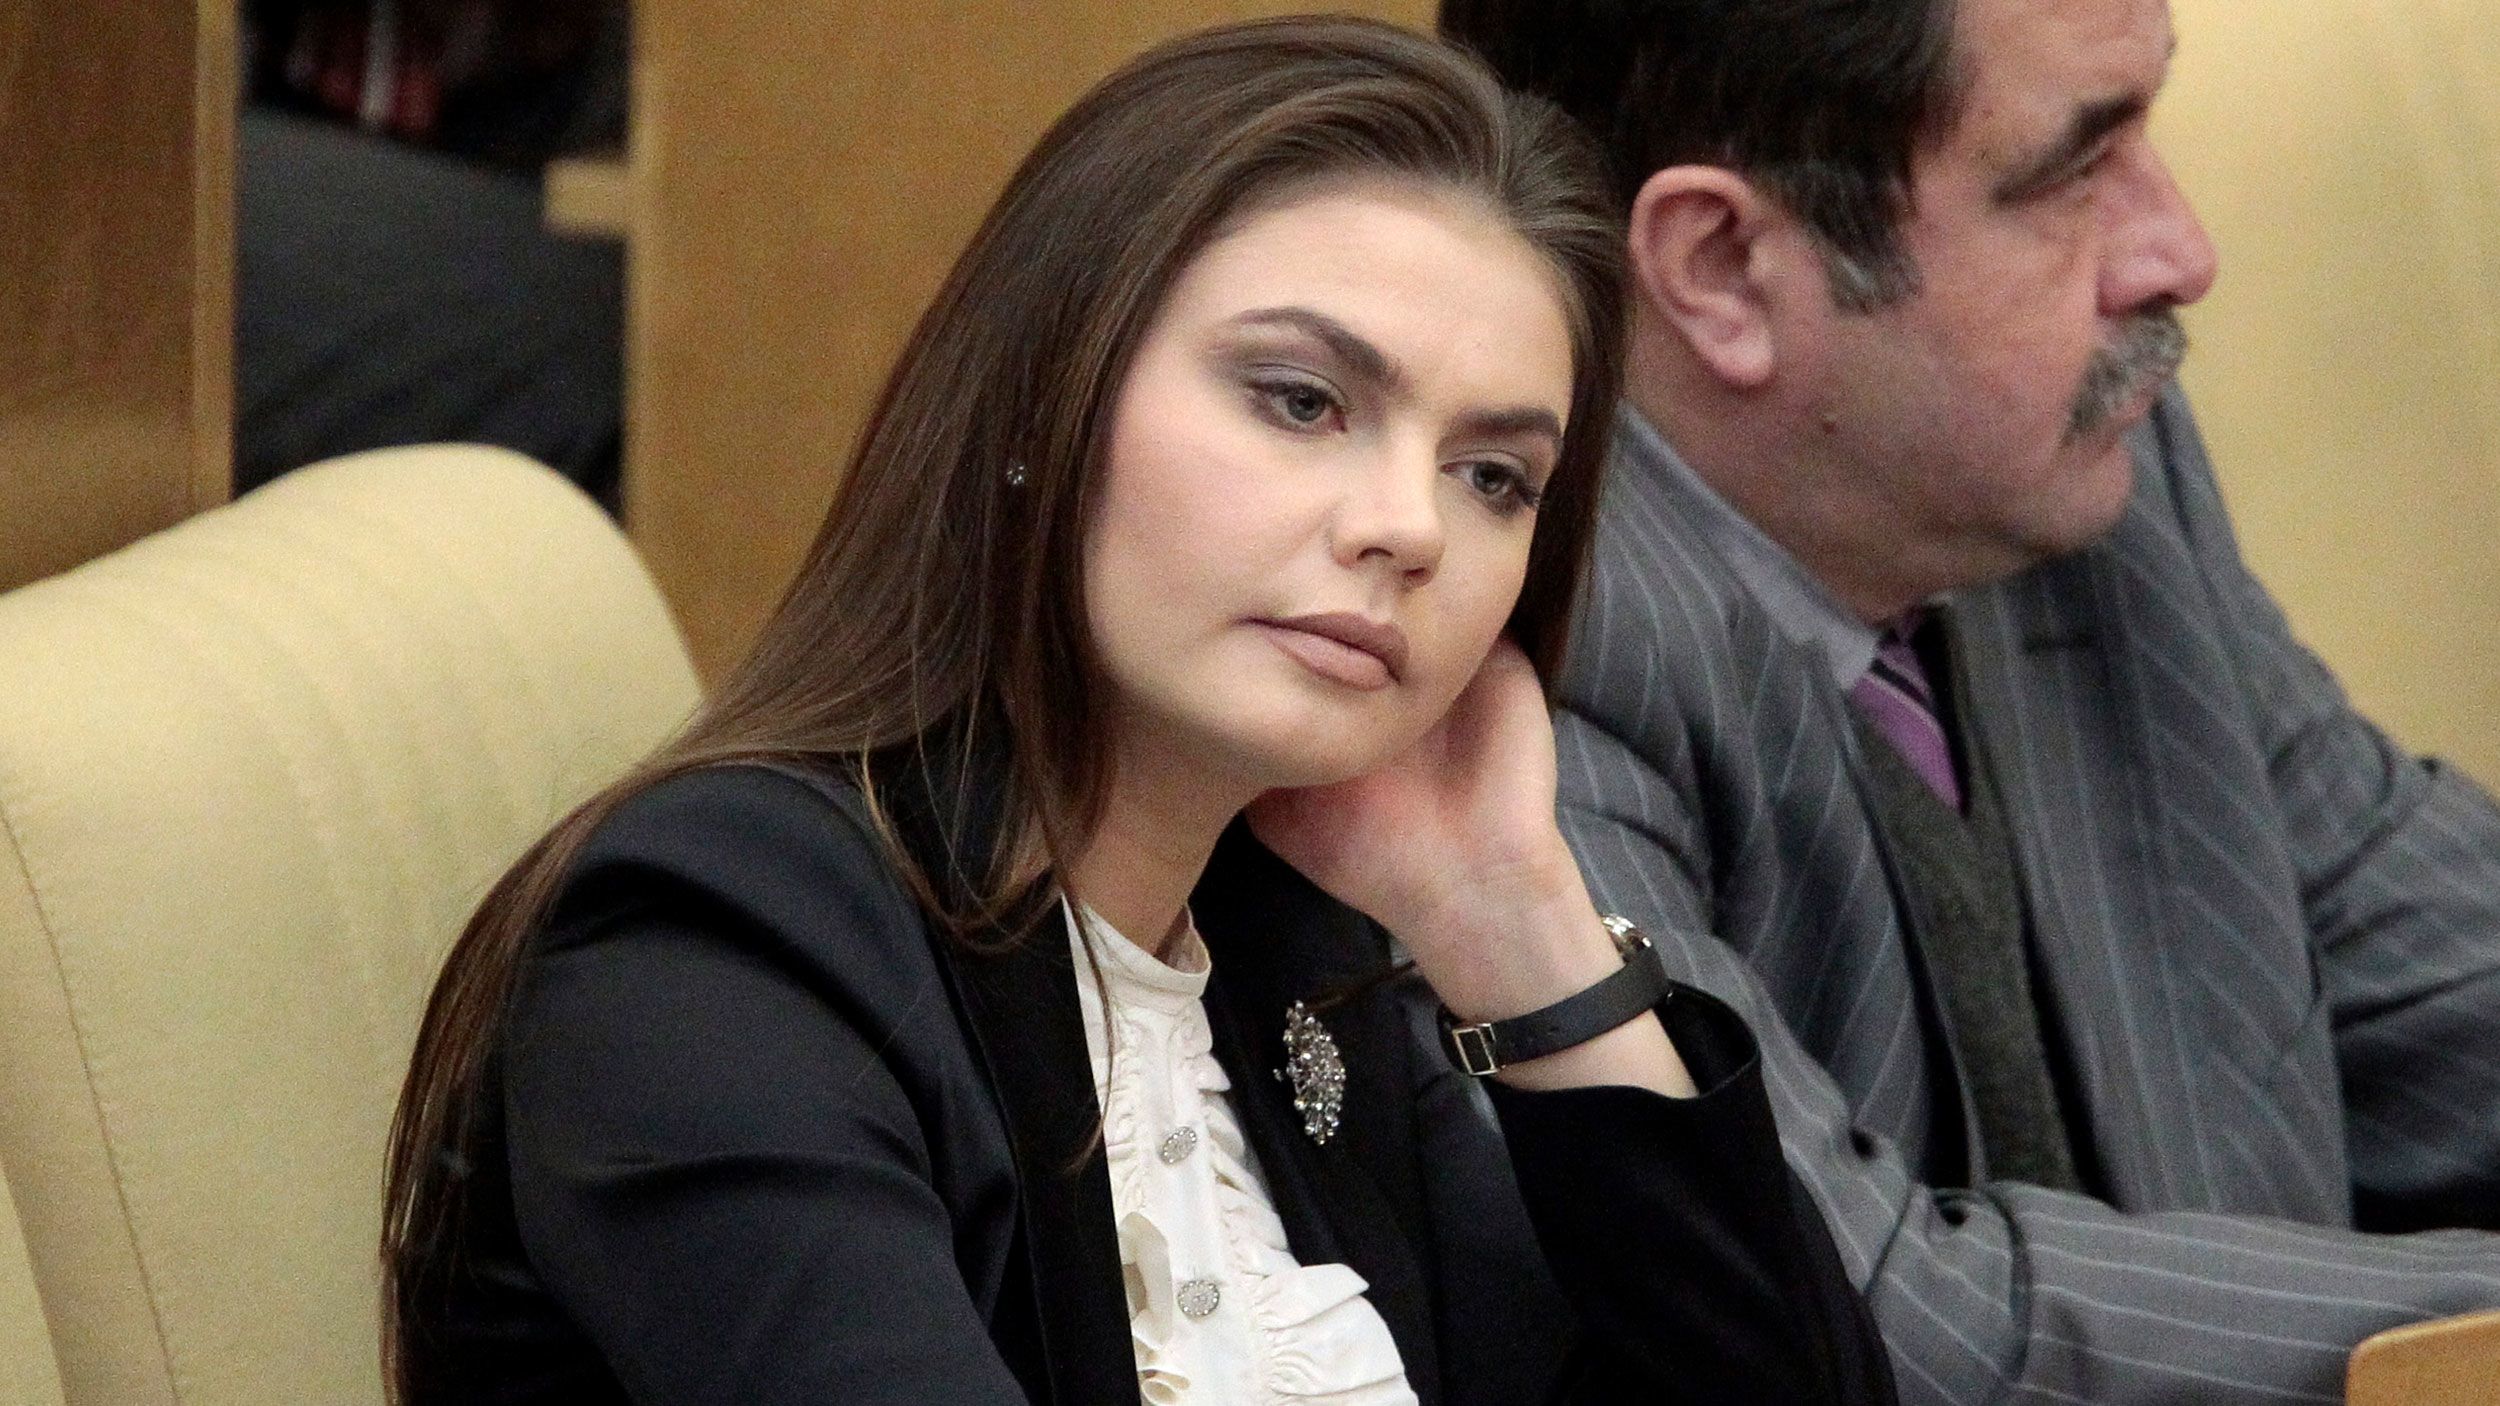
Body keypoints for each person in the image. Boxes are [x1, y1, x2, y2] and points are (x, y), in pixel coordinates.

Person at [379, 19, 1895, 1405]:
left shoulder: (1298, 967)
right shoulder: (725, 944)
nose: (1409, 527)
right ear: (1052, 391)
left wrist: (1518, 922)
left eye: (1493, 475)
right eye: (1301, 400)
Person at [1436, 0, 2500, 1400]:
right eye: (2076, 170)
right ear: (1723, 266)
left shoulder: (2072, 484)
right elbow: (1877, 1317)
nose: (2182, 254)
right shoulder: (1489, 649)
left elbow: (2419, 957)